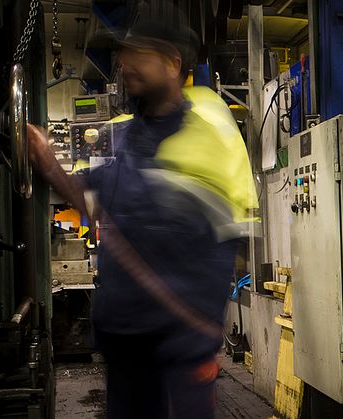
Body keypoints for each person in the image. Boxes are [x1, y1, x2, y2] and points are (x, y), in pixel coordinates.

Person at [27, 19, 257, 419]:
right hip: (127, 344)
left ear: (172, 63)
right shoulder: (133, 139)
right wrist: (47, 161)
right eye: (124, 54)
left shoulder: (203, 139)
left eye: (138, 54)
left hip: (176, 351)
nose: (125, 64)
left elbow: (215, 242)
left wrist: (195, 335)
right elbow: (92, 197)